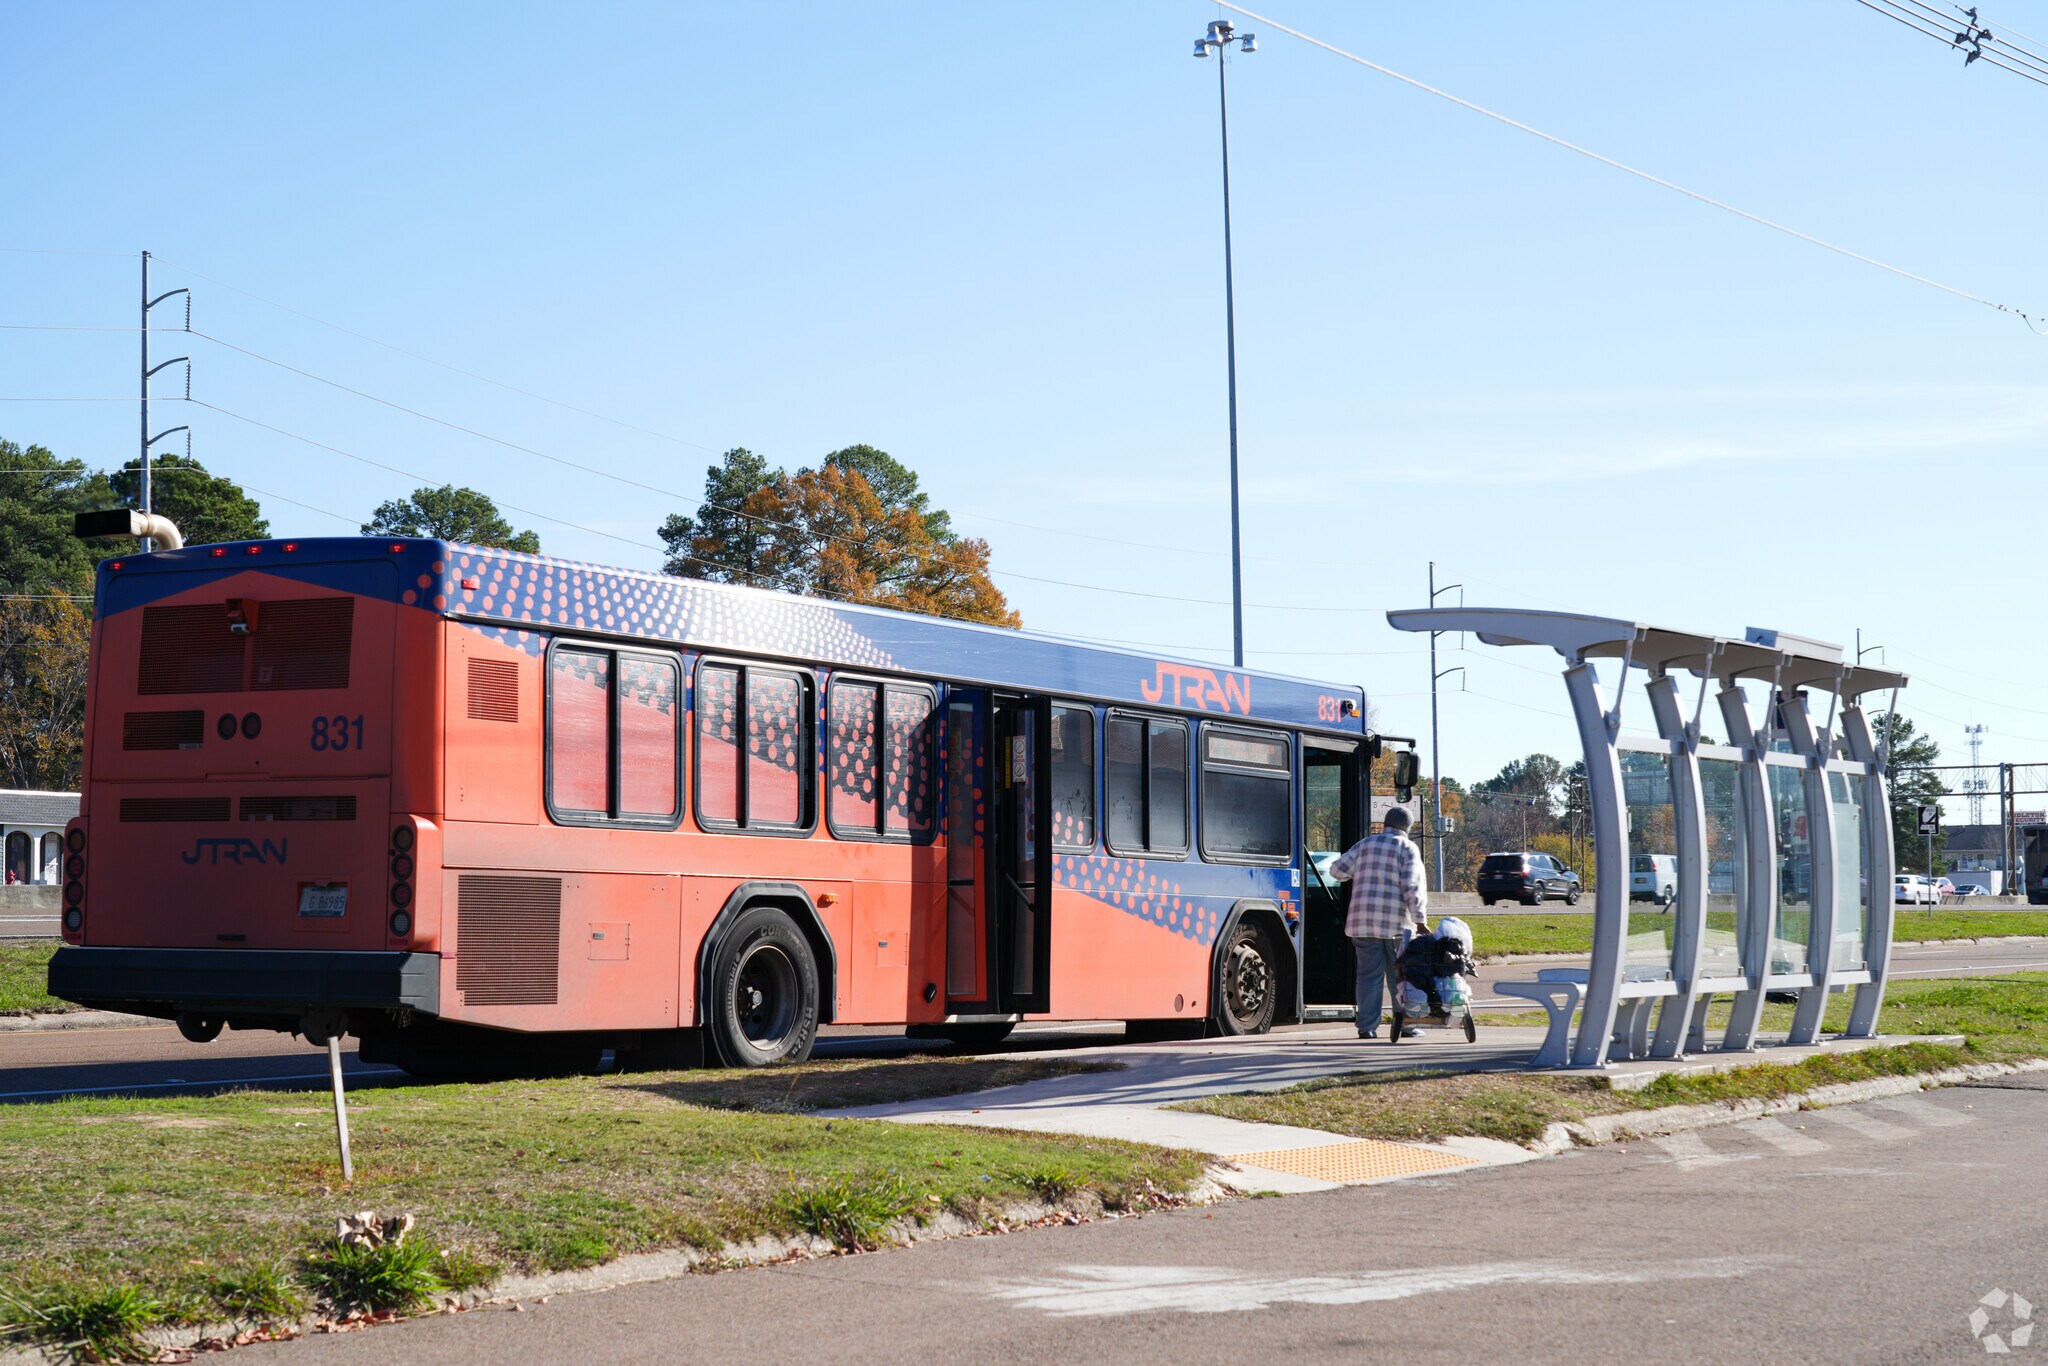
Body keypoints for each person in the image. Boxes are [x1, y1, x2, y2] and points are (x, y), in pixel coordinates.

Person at [1329, 804, 1429, 1040]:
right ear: (1407, 827)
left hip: (1362, 922)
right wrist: (1420, 920)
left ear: (1385, 823)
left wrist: (1362, 872)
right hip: (1397, 926)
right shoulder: (1407, 848)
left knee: (1367, 977)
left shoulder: (1365, 844)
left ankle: (1366, 1028)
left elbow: (1336, 871)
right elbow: (1412, 887)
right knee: (1400, 977)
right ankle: (1404, 1025)